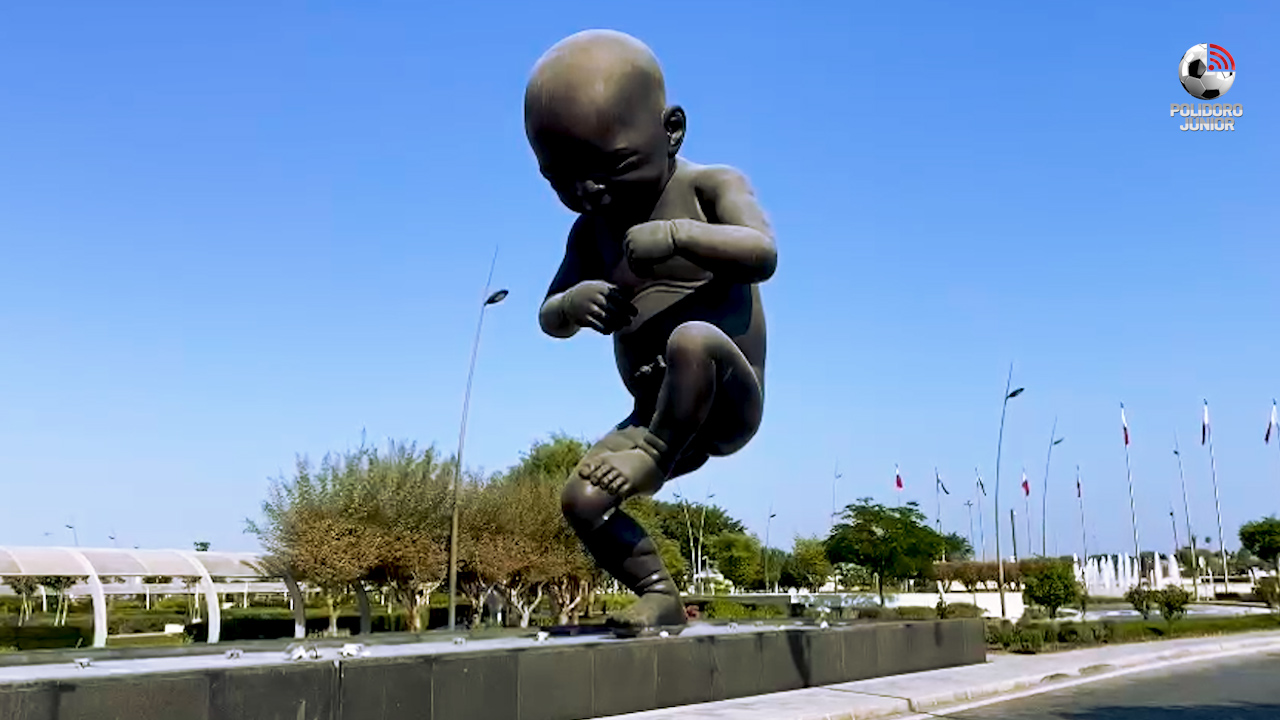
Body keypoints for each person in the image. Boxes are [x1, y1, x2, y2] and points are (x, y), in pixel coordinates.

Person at [526, 29, 776, 633]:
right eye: (562, 181)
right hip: (655, 413)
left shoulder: (709, 187)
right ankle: (659, 593)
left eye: (613, 167)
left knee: (691, 338)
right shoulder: (591, 233)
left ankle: (656, 458)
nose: (589, 192)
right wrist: (573, 304)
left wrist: (678, 237)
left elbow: (762, 251)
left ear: (672, 131)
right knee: (582, 499)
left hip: (725, 398)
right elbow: (548, 315)